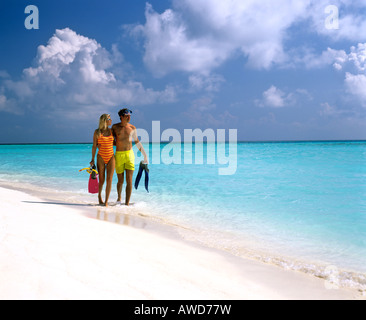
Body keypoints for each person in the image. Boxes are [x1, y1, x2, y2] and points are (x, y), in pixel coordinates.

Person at [112, 108, 148, 206]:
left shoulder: (132, 128)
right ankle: (119, 198)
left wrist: (145, 155)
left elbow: (137, 141)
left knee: (129, 180)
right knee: (120, 181)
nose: (129, 118)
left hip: (129, 155)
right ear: (121, 117)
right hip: (119, 155)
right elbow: (111, 140)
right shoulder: (114, 127)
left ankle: (127, 204)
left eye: (130, 116)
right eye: (127, 116)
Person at [91, 114, 115, 207]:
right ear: (105, 121)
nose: (111, 120)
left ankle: (106, 201)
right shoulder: (97, 132)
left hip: (111, 156)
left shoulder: (111, 131)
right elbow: (94, 146)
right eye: (109, 119)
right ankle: (99, 196)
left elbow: (118, 141)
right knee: (101, 180)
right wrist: (92, 159)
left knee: (109, 179)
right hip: (101, 156)